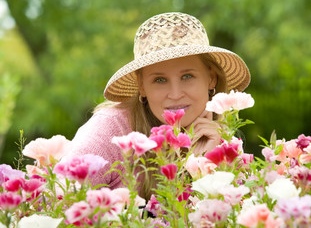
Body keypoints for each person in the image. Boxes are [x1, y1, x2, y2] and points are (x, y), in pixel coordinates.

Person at [69, 12, 250, 199]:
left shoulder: (221, 141)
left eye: (187, 76)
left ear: (211, 78)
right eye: (160, 80)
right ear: (142, 86)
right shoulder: (112, 130)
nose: (175, 93)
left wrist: (202, 167)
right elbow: (56, 202)